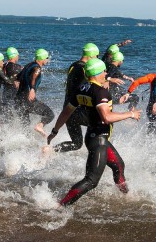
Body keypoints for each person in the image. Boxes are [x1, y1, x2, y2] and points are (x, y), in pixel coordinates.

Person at [47, 58, 141, 206]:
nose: (105, 73)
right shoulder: (100, 92)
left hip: (95, 137)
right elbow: (106, 117)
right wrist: (130, 114)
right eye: (104, 71)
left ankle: (126, 196)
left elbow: (66, 113)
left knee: (119, 166)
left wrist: (54, 131)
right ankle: (61, 205)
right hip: (98, 140)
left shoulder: (82, 89)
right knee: (91, 181)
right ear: (97, 73)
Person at [52, 43, 99, 153]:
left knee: (77, 143)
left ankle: (51, 150)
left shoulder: (74, 65)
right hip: (76, 111)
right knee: (100, 123)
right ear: (92, 56)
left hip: (68, 109)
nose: (97, 60)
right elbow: (91, 85)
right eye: (97, 57)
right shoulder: (82, 68)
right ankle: (96, 153)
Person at [14, 48, 54, 137]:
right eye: (47, 57)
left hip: (18, 100)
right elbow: (34, 76)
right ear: (43, 58)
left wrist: (20, 85)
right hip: (27, 100)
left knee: (25, 126)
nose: (48, 60)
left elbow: (17, 78)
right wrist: (32, 89)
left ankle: (24, 143)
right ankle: (39, 126)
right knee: (50, 114)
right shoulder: (37, 68)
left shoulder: (28, 65)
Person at [1, 46, 22, 115]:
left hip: (5, 92)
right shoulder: (16, 67)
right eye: (17, 55)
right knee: (20, 112)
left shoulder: (3, 66)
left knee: (7, 112)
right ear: (14, 56)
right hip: (14, 93)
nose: (18, 56)